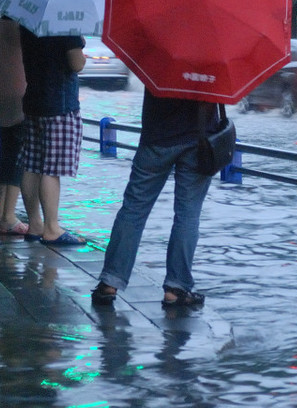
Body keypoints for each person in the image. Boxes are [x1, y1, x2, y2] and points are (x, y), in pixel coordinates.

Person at [92, 92, 219, 309]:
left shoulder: (158, 58)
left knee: (133, 210)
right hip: (198, 140)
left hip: (157, 138)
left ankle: (110, 283)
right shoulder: (215, 59)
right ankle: (176, 288)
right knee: (188, 215)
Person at [18, 26, 86, 245]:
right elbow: (77, 64)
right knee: (51, 169)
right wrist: (80, 44)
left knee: (32, 164)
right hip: (60, 104)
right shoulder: (67, 24)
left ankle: (35, 224)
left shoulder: (28, 23)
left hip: (33, 100)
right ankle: (52, 228)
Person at [0, 14, 28, 236]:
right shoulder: (23, 27)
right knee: (18, 156)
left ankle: (2, 215)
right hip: (20, 94)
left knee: (6, 152)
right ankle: (9, 217)